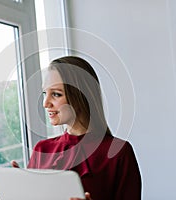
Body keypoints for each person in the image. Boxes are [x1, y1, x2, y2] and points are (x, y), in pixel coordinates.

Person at [11, 56, 142, 200]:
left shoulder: (119, 152)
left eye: (56, 94)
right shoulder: (42, 149)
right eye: (45, 93)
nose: (45, 103)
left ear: (80, 95)